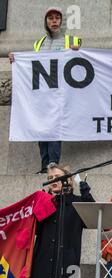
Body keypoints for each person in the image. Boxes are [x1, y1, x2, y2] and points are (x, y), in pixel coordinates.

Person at [8, 7, 82, 174]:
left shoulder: (72, 40)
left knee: (55, 128)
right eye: (50, 18)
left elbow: (81, 59)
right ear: (46, 22)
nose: (54, 21)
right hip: (43, 94)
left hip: (61, 93)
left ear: (62, 22)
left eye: (57, 18)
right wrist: (16, 58)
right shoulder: (38, 43)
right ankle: (45, 165)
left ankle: (53, 164)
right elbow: (32, 64)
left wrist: (77, 50)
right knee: (42, 128)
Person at [29, 163, 94, 278]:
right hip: (42, 262)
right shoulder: (46, 202)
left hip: (69, 264)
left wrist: (86, 193)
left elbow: (93, 218)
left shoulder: (78, 202)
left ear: (68, 180)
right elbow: (34, 230)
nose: (53, 180)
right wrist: (42, 204)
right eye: (50, 177)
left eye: (57, 177)